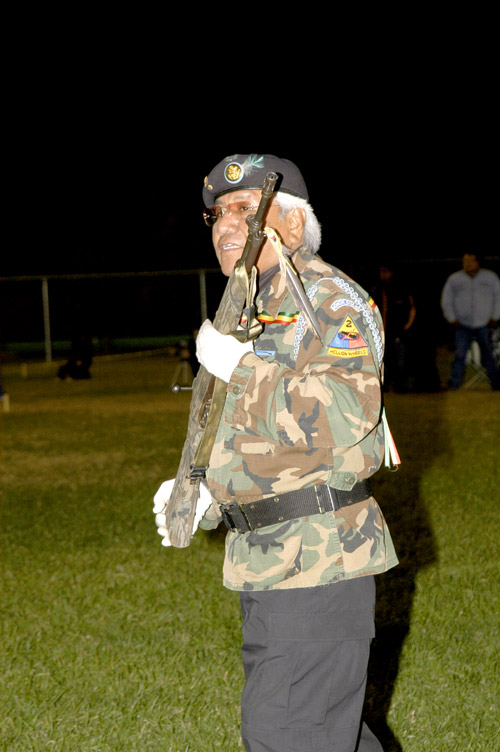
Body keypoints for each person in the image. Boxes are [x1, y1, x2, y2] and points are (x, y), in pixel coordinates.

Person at [154, 154, 399, 752]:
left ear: (291, 226)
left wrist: (241, 369)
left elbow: (347, 413)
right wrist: (207, 492)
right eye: (217, 214)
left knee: (286, 735)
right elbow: (264, 442)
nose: (224, 225)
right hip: (270, 561)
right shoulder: (253, 311)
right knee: (321, 732)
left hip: (319, 558)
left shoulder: (329, 299)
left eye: (245, 210)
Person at [441, 252, 500, 390]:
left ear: (478, 262)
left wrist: (495, 316)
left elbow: (498, 297)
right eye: (465, 261)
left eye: (471, 261)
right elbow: (446, 300)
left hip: (484, 323)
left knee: (488, 354)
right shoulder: (454, 279)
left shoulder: (490, 278)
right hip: (462, 324)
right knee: (460, 354)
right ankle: (454, 384)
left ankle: (496, 384)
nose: (467, 264)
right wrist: (451, 318)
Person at [370, 261, 416, 392]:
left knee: (401, 359)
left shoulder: (401, 289)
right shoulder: (376, 290)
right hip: (382, 332)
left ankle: (401, 385)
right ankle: (384, 384)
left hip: (398, 331)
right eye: (381, 271)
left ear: (391, 273)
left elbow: (411, 308)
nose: (382, 275)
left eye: (385, 271)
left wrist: (407, 326)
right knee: (384, 360)